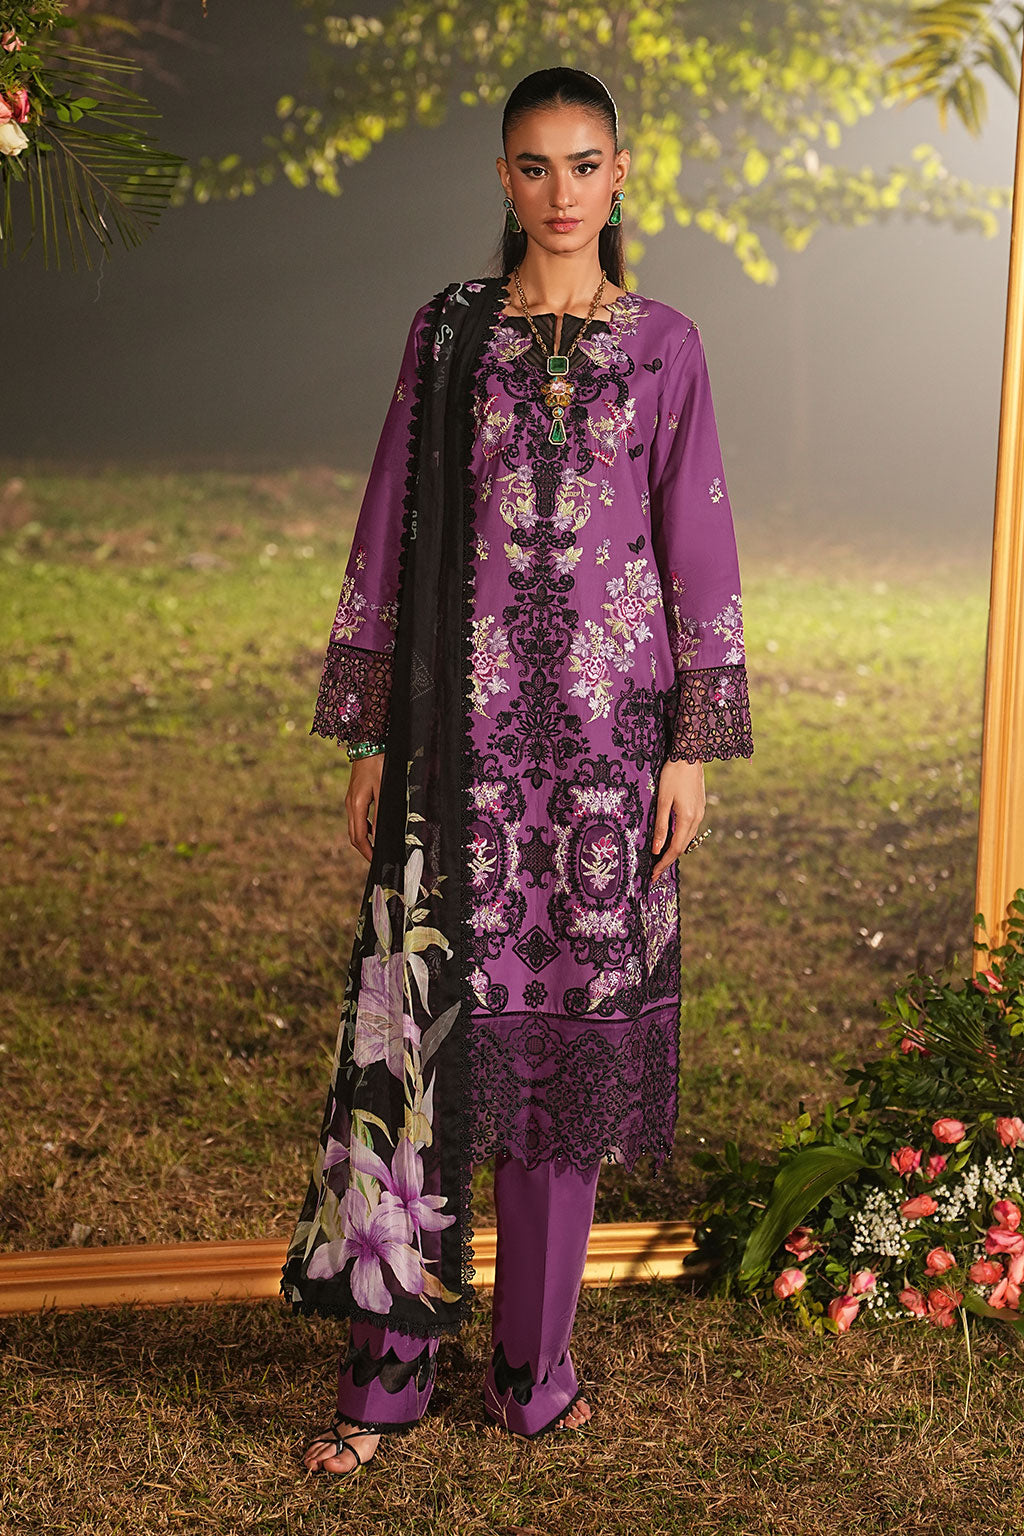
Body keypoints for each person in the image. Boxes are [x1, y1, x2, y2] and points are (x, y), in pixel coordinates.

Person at [282, 65, 754, 1479]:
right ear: (504, 179)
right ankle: (388, 1377)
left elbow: (698, 543)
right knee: (418, 1037)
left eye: (584, 164)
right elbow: (389, 524)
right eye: (535, 166)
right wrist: (376, 734)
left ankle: (534, 1371)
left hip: (609, 754)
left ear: (620, 175)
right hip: (460, 747)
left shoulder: (665, 346)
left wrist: (691, 748)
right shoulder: (449, 339)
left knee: (567, 1050)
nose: (561, 192)